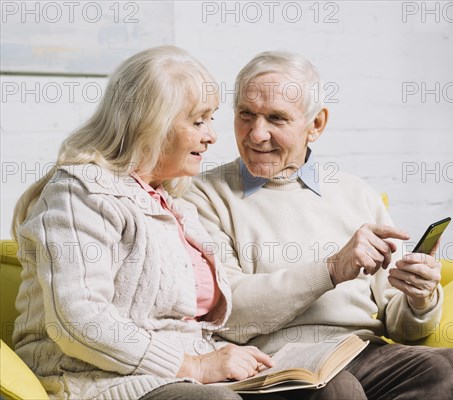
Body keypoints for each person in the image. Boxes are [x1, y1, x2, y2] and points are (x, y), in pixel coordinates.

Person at [185, 51, 453, 399]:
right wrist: (332, 269)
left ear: (315, 124)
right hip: (272, 362)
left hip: (362, 351)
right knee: (337, 390)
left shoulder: (356, 193)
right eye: (246, 114)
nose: (257, 134)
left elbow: (401, 325)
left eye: (276, 118)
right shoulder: (203, 196)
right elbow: (230, 312)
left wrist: (419, 300)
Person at [10, 46, 274, 400]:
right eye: (198, 121)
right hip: (95, 379)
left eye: (210, 119)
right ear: (150, 124)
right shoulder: (80, 194)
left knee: (327, 389)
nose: (211, 136)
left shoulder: (174, 204)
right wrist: (195, 367)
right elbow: (79, 319)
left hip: (183, 375)